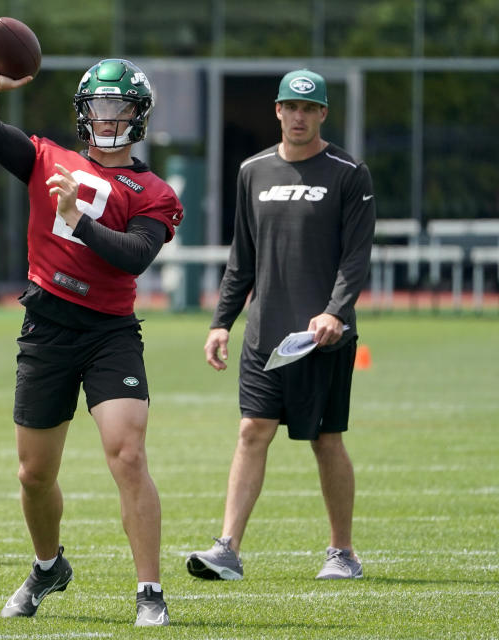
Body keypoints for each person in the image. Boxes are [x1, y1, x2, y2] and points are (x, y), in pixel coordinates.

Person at [0, 59, 183, 626]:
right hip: (47, 326)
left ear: (139, 116)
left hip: (109, 332)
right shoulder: (46, 158)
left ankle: (150, 591)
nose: (109, 118)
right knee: (33, 475)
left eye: (121, 108)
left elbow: (136, 254)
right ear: (85, 113)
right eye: (101, 107)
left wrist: (77, 218)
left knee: (128, 454)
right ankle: (46, 567)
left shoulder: (153, 189)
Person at [186, 69, 375, 582]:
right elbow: (240, 259)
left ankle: (343, 552)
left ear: (323, 115)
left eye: (309, 109)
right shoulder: (253, 171)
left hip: (324, 338)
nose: (298, 116)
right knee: (252, 430)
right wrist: (222, 322)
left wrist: (335, 312)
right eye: (290, 106)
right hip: (265, 334)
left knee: (326, 440)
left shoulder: (348, 173)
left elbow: (356, 259)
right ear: (277, 110)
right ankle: (227, 548)